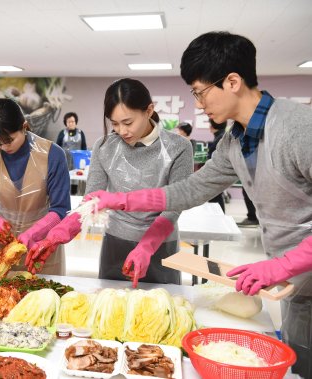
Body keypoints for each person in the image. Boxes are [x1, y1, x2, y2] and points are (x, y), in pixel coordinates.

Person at [81, 32, 312, 377]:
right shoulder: (235, 140)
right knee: (302, 360)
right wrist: (122, 200)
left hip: (296, 268)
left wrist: (285, 263)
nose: (199, 104)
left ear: (232, 81)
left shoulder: (297, 128)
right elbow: (190, 189)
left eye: (200, 92)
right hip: (298, 284)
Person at [25, 78, 193, 284]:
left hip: (160, 245)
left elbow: (173, 208)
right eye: (114, 124)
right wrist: (56, 235)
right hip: (116, 243)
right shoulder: (105, 147)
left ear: (149, 110)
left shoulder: (178, 147)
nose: (122, 131)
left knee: (161, 307)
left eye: (128, 122)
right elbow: (91, 202)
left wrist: (146, 247)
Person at [0, 98, 70, 275]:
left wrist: (33, 234)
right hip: (4, 246)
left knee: (42, 296)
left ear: (24, 126)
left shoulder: (52, 155)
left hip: (42, 245)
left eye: (9, 140)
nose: (3, 147)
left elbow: (61, 209)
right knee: (2, 297)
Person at [206, 119, 227, 212]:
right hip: (217, 171)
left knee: (215, 197)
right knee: (215, 196)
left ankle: (218, 217)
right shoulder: (220, 136)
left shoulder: (221, 137)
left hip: (217, 172)